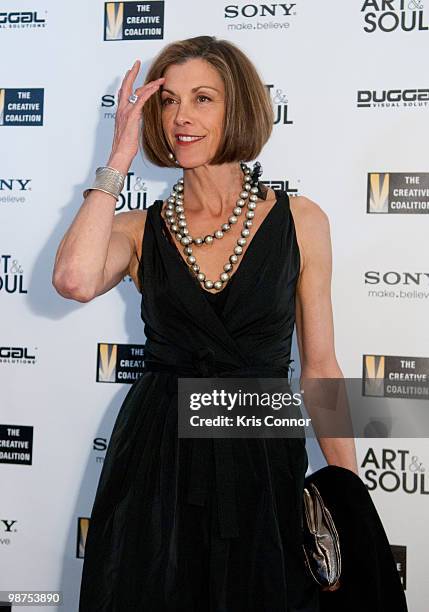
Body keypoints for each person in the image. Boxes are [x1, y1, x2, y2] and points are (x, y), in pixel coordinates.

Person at [53, 36, 359, 612]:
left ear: (237, 108)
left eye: (202, 99)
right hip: (158, 450)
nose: (181, 117)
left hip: (259, 449)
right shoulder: (138, 228)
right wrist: (118, 158)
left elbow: (320, 366)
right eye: (168, 101)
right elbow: (73, 280)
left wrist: (348, 492)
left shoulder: (300, 220)